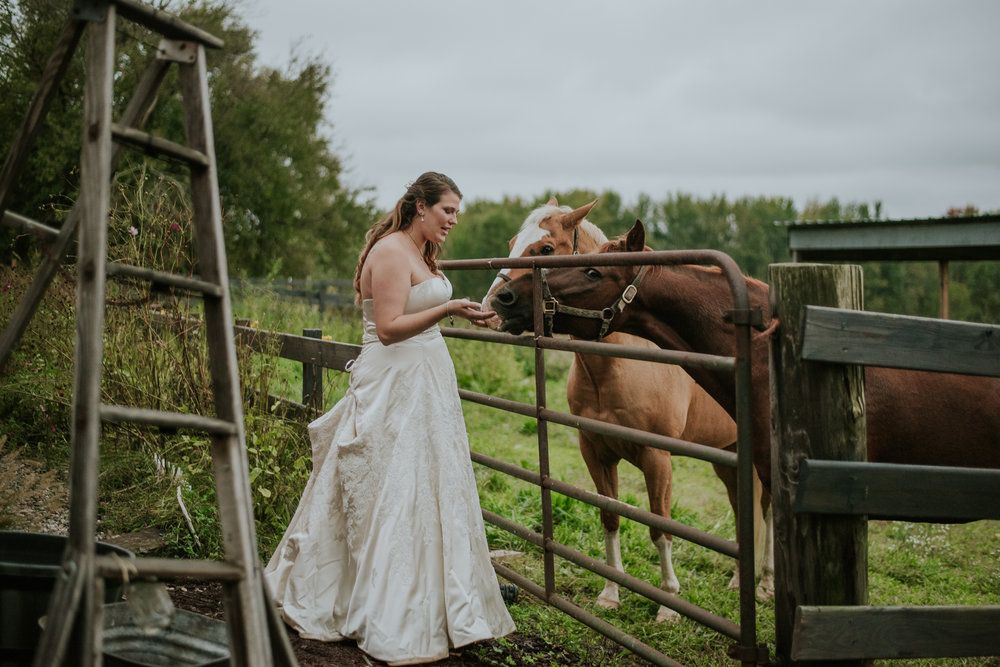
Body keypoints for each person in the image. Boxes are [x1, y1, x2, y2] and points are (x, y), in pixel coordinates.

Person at [264, 172, 515, 665]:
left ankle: (437, 599)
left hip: (426, 383)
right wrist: (447, 309)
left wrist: (468, 313)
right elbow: (388, 329)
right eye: (447, 211)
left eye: (457, 213)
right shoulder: (389, 251)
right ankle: (376, 600)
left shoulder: (420, 253)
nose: (453, 221)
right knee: (387, 486)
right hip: (392, 382)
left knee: (429, 484)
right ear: (421, 206)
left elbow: (424, 312)